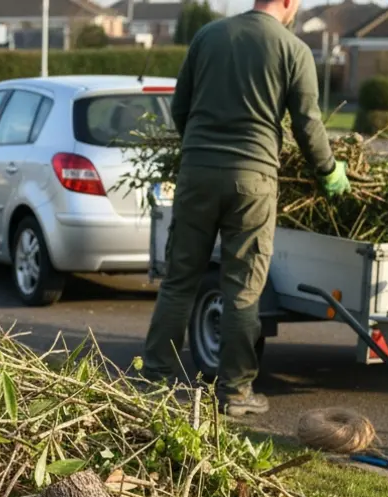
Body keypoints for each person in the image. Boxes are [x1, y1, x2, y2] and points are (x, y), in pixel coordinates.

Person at [140, 0, 350, 416]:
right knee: (242, 289)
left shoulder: (208, 36)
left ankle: (155, 380)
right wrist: (328, 170)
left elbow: (180, 108)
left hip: (197, 175)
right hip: (252, 181)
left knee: (180, 281)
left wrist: (201, 147)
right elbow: (306, 122)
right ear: (288, 2)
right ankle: (236, 394)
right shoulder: (293, 50)